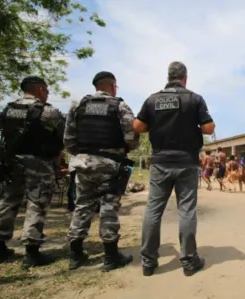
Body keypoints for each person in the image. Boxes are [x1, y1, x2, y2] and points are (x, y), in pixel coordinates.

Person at [134, 61, 214, 277]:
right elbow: (207, 128)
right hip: (187, 162)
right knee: (186, 211)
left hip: (160, 162)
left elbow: (137, 127)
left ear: (168, 77)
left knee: (153, 210)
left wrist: (156, 124)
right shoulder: (194, 99)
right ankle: (189, 262)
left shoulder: (153, 99)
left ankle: (148, 263)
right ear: (185, 78)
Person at [0, 76, 65, 267]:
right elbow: (65, 135)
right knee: (37, 204)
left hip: (11, 163)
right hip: (38, 164)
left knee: (7, 201)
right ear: (40, 90)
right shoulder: (49, 112)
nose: (47, 94)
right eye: (46, 91)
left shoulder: (8, 110)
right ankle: (32, 252)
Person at [65, 71, 138, 271]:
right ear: (113, 86)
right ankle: (110, 256)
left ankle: (75, 255)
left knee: (82, 206)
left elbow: (68, 140)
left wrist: (83, 155)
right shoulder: (119, 106)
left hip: (84, 164)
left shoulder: (78, 106)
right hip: (110, 165)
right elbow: (132, 138)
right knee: (108, 208)